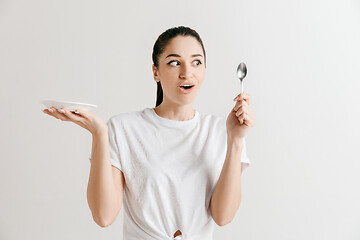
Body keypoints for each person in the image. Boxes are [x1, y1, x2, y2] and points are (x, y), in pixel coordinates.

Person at [42, 26, 256, 240]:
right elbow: (103, 216)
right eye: (174, 62)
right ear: (156, 71)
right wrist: (99, 134)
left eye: (196, 62)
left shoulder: (221, 131)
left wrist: (236, 140)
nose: (187, 72)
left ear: (205, 70)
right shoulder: (123, 128)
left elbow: (223, 216)